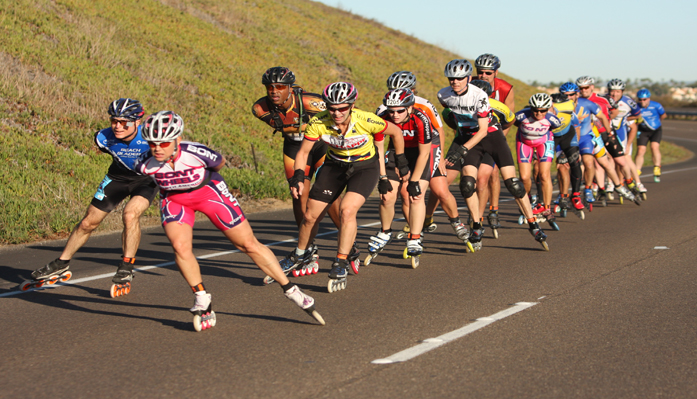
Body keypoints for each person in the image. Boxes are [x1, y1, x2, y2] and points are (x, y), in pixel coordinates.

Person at [135, 111, 324, 330]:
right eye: (152, 143)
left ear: (177, 139)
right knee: (180, 247)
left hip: (208, 192)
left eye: (164, 143)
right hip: (175, 200)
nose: (157, 148)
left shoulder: (195, 152)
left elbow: (219, 163)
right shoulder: (144, 162)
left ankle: (291, 289)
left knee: (247, 244)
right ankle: (201, 297)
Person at [24, 99, 157, 294]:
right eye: (114, 121)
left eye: (124, 122)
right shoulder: (103, 138)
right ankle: (62, 262)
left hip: (146, 180)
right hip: (117, 177)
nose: (118, 127)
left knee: (130, 214)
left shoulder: (151, 136)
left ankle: (126, 267)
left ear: (138, 122)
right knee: (87, 223)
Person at [289, 82, 407, 292]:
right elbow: (303, 152)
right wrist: (298, 176)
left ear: (352, 105)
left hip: (364, 168)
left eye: (342, 108)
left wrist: (400, 160)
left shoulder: (367, 119)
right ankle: (300, 254)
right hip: (334, 166)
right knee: (309, 216)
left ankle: (341, 261)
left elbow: (397, 132)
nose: (336, 113)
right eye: (331, 108)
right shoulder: (318, 121)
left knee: (347, 210)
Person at [438, 59, 548, 251]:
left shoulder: (479, 96)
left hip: (490, 136)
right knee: (467, 184)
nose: (455, 82)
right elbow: (450, 117)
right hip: (469, 138)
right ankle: (476, 226)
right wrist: (460, 136)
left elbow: (482, 131)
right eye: (451, 79)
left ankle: (533, 224)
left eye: (459, 78)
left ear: (468, 78)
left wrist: (462, 149)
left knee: (513, 184)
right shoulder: (443, 95)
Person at [251, 67, 340, 275]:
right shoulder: (259, 108)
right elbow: (282, 126)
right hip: (293, 147)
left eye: (280, 86)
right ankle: (308, 247)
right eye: (270, 87)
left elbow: (339, 115)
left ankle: (345, 239)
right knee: (298, 194)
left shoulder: (311, 102)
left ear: (290, 88)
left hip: (320, 144)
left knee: (331, 194)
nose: (274, 91)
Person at [376, 71, 468, 245]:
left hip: (426, 148)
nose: (396, 94)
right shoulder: (386, 109)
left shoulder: (423, 107)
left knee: (440, 189)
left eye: (402, 89)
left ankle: (456, 222)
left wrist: (439, 157)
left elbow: (439, 130)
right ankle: (415, 230)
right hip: (401, 150)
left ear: (412, 89)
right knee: (405, 193)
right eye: (393, 89)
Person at [372, 89, 436, 266]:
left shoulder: (421, 118)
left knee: (415, 195)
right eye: (391, 111)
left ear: (410, 108)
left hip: (418, 154)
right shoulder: (382, 117)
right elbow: (378, 148)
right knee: (386, 195)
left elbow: (424, 154)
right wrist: (383, 177)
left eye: (400, 111)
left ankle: (415, 237)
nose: (395, 115)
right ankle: (385, 232)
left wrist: (414, 180)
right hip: (395, 152)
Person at [576, 76, 639, 205]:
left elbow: (615, 111)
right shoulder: (577, 101)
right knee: (599, 164)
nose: (584, 91)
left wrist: (606, 120)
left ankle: (629, 181)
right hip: (591, 135)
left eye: (586, 88)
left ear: (592, 87)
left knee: (621, 161)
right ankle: (602, 190)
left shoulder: (604, 98)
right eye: (581, 88)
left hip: (606, 133)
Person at [474, 54, 515, 227]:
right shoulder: (471, 85)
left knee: (493, 172)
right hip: (473, 135)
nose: (483, 76)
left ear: (496, 72)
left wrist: (500, 141)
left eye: (488, 73)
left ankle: (494, 209)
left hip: (495, 134)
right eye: (480, 72)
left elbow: (509, 118)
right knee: (476, 176)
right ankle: (476, 212)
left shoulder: (505, 88)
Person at [514, 94, 563, 228]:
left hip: (544, 142)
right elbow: (512, 124)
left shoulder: (553, 119)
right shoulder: (521, 116)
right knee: (524, 177)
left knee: (544, 175)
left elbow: (555, 129)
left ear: (548, 109)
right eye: (535, 110)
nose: (539, 113)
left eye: (543, 110)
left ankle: (547, 208)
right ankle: (527, 202)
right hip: (524, 143)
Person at [605, 79, 643, 196]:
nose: (614, 94)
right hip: (607, 133)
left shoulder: (629, 102)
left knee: (626, 158)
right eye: (612, 91)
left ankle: (638, 183)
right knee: (610, 158)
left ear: (622, 92)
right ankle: (610, 183)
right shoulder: (604, 100)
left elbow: (638, 115)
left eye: (617, 91)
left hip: (621, 133)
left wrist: (626, 118)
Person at [549, 92, 585, 217]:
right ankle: (561, 196)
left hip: (568, 137)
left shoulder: (570, 110)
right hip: (553, 138)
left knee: (574, 163)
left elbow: (577, 127)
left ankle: (575, 195)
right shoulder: (547, 112)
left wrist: (577, 147)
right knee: (560, 167)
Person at [633, 88, 666, 183]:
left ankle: (657, 167)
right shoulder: (636, 107)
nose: (642, 101)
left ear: (649, 98)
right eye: (640, 99)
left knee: (654, 147)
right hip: (642, 131)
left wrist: (656, 123)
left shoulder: (656, 105)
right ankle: (637, 170)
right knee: (640, 150)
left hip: (656, 130)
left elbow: (663, 115)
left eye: (645, 99)